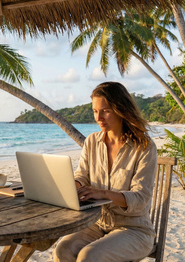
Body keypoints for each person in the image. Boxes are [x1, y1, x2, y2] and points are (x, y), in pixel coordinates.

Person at [54, 82, 158, 262]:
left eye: (105, 111)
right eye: (95, 111)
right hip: (97, 223)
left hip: (134, 229)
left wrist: (102, 193)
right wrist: (73, 185)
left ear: (121, 110)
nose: (99, 117)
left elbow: (140, 198)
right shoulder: (92, 141)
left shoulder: (144, 147)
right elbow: (83, 175)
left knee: (89, 256)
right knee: (62, 250)